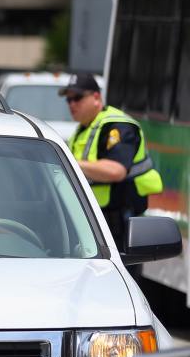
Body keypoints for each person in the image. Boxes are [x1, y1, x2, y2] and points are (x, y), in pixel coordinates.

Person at [59, 72, 163, 250]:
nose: (72, 104)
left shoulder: (117, 126)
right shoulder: (83, 129)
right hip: (95, 222)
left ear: (96, 97)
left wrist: (69, 162)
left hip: (118, 223)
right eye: (68, 100)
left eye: (77, 98)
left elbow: (116, 171)